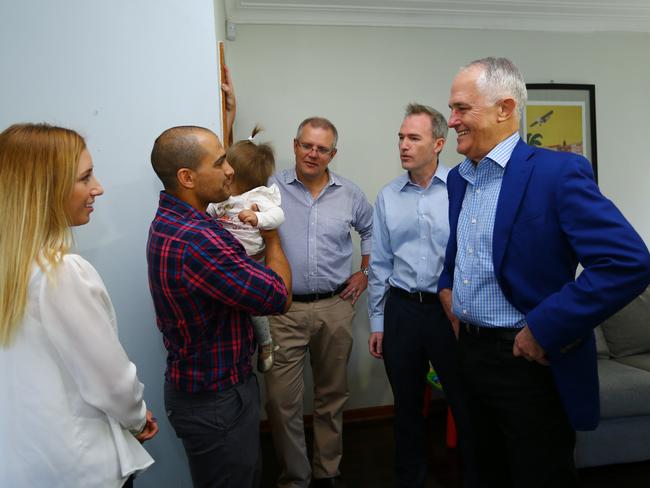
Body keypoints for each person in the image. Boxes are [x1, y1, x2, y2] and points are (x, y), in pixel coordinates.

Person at [439, 57, 650, 488]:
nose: (452, 120)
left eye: (461, 108)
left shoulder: (557, 173)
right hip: (468, 356)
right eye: (452, 109)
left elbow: (628, 261)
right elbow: (463, 252)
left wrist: (543, 327)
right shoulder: (460, 180)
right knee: (481, 471)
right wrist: (449, 293)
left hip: (526, 363)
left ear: (504, 108)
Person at [0, 123, 158, 488]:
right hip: (81, 468)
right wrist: (136, 418)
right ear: (44, 190)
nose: (98, 189)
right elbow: (113, 383)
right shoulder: (60, 273)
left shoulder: (16, 270)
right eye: (85, 178)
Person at [147, 125, 291, 488]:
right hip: (217, 400)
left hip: (202, 391)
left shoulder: (172, 221)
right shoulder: (199, 241)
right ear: (187, 177)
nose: (230, 171)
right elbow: (278, 296)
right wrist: (271, 236)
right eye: (221, 162)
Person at [367, 103, 477, 488]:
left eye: (414, 138)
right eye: (400, 137)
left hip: (449, 313)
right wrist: (378, 322)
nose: (403, 145)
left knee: (465, 404)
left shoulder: (463, 189)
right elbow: (379, 264)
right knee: (408, 409)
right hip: (402, 313)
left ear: (439, 144)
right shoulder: (387, 196)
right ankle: (410, 479)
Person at [265, 117, 373, 488]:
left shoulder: (350, 194)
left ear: (333, 154)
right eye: (307, 145)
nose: (313, 154)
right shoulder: (270, 189)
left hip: (335, 307)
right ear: (295, 145)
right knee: (282, 403)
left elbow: (372, 230)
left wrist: (365, 272)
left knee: (332, 395)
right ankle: (295, 477)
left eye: (322, 149)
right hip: (284, 309)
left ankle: (327, 471)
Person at [207, 125, 284, 372]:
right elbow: (208, 211)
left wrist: (258, 219)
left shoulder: (259, 197)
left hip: (250, 260)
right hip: (227, 260)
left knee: (254, 309)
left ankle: (266, 343)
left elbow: (278, 216)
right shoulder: (223, 198)